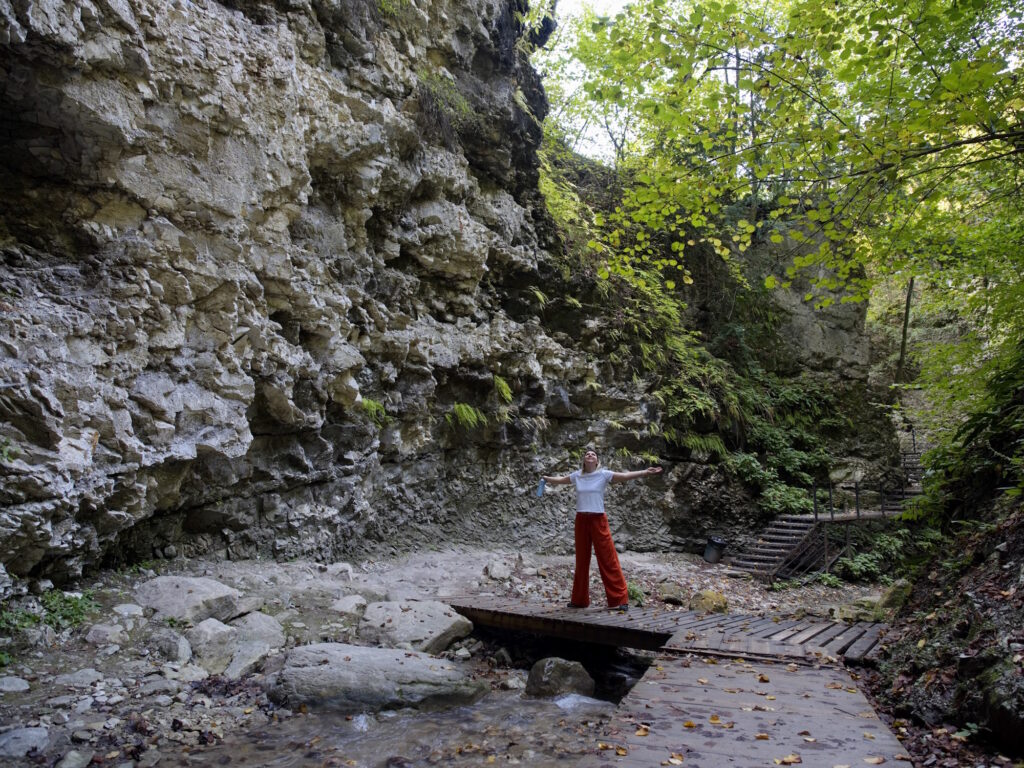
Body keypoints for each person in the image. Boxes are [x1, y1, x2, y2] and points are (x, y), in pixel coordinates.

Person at [541, 449, 663, 611]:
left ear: (597, 461)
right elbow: (561, 480)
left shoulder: (604, 474)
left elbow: (625, 476)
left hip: (598, 519)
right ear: (584, 460)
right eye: (587, 454)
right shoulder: (577, 476)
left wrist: (645, 472)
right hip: (581, 520)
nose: (590, 455)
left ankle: (619, 600)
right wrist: (546, 479)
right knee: (581, 560)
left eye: (593, 454)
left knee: (608, 558)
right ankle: (579, 600)